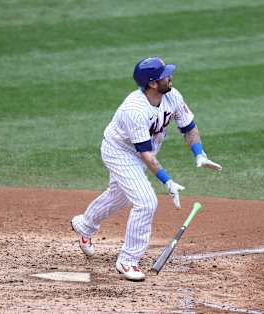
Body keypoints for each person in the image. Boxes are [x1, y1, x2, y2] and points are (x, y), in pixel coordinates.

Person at [71, 57, 222, 281]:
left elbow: (189, 127)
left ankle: (84, 225)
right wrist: (167, 181)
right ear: (152, 83)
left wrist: (200, 154)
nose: (170, 76)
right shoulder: (134, 109)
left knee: (119, 196)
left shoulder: (172, 95)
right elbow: (146, 154)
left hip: (141, 153)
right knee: (146, 201)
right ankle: (127, 260)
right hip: (119, 152)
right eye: (165, 75)